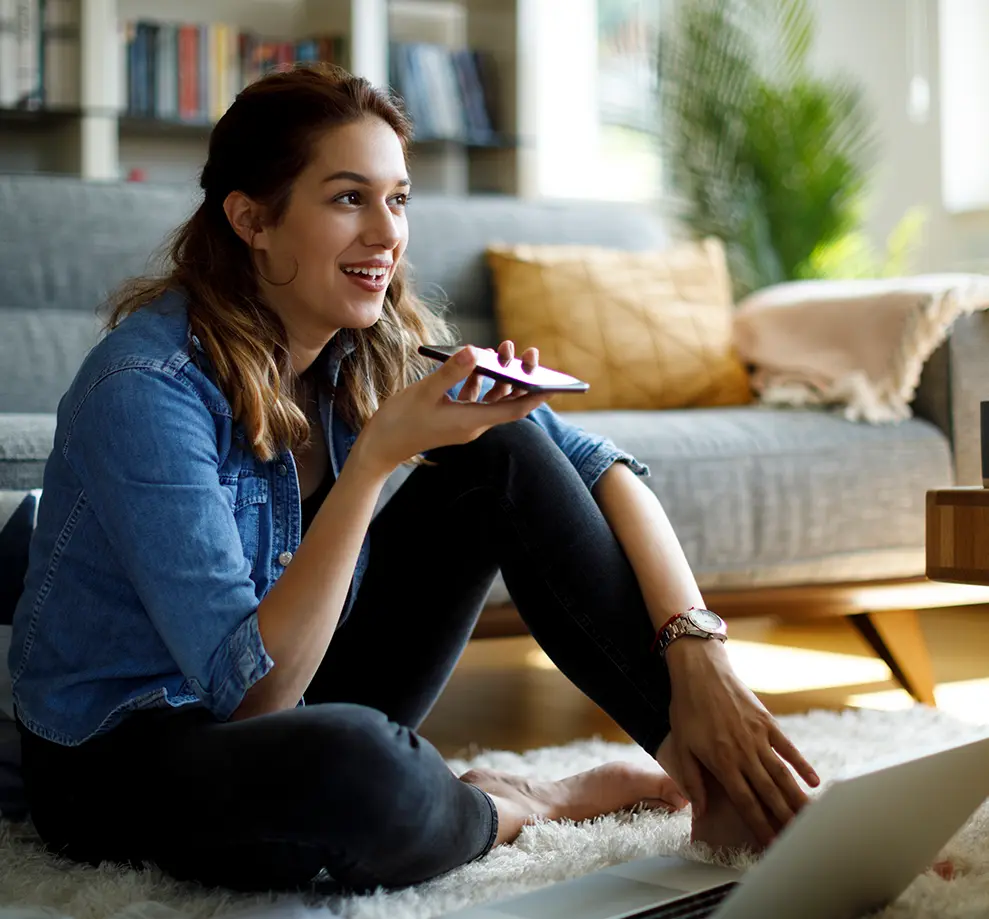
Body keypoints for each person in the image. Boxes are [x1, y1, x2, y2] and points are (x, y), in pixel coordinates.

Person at [7, 64, 819, 894]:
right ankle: (523, 804)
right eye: (348, 198)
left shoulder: (376, 343)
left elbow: (597, 468)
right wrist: (373, 461)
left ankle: (718, 776)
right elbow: (252, 697)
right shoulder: (144, 387)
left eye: (397, 199)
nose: (385, 234)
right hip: (124, 757)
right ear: (251, 218)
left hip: (290, 700)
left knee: (499, 453)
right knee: (357, 768)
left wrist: (699, 656)